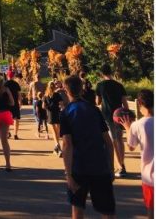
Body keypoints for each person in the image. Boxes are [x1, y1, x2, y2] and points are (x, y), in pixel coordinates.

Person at [61, 74, 116, 219]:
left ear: (66, 90)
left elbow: (67, 145)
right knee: (107, 210)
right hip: (100, 166)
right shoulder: (94, 110)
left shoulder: (66, 113)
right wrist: (111, 167)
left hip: (78, 167)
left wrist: (68, 175)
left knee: (77, 208)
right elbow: (108, 142)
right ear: (81, 89)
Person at [94, 64, 129, 177]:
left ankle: (119, 166)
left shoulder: (100, 85)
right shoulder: (119, 85)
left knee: (112, 141)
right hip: (119, 115)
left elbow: (98, 102)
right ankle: (121, 164)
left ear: (102, 73)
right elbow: (125, 103)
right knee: (119, 139)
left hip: (107, 116)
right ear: (111, 72)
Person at [47, 79, 69, 154]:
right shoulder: (57, 95)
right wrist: (63, 110)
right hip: (57, 113)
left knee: (53, 131)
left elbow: (44, 106)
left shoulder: (46, 95)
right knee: (58, 130)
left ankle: (57, 145)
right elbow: (61, 104)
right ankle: (57, 146)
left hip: (50, 114)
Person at [4, 73, 23, 139]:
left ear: (7, 76)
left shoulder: (5, 84)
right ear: (13, 76)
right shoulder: (16, 84)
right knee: (16, 119)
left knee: (7, 119)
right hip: (15, 103)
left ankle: (7, 132)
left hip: (7, 103)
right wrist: (20, 102)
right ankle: (15, 134)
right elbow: (19, 94)